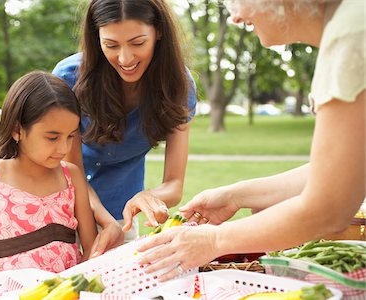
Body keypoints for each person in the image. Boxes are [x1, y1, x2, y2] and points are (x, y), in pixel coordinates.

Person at [138, 0, 365, 281]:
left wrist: (214, 241)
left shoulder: (351, 36)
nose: (234, 16)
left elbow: (327, 208)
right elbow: (345, 172)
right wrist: (236, 195)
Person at [52, 0, 197, 251]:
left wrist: (148, 198)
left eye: (137, 43)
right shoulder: (69, 78)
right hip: (60, 208)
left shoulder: (178, 87)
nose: (125, 57)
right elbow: (71, 170)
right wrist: (107, 224)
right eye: (111, 45)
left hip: (120, 212)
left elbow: (174, 185)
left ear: (159, 31)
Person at [0, 71, 98, 273]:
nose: (64, 148)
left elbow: (92, 249)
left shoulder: (71, 176)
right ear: (17, 130)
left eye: (70, 136)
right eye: (52, 138)